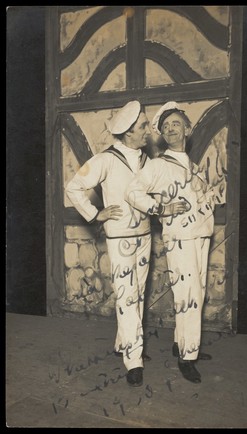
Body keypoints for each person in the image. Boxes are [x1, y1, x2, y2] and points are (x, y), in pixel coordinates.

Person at [125, 101, 215, 384]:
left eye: (176, 123)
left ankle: (183, 343)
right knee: (188, 296)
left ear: (187, 129)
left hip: (201, 235)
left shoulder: (194, 164)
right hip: (180, 239)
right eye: (165, 126)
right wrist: (161, 209)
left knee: (196, 293)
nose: (170, 128)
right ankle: (187, 358)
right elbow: (133, 192)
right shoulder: (158, 165)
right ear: (162, 135)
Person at [66, 101, 152, 387]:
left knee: (136, 295)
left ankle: (127, 344)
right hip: (120, 240)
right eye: (143, 127)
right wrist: (95, 214)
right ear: (128, 132)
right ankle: (134, 360)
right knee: (128, 296)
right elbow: (73, 187)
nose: (148, 131)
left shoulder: (146, 161)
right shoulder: (106, 159)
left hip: (145, 237)